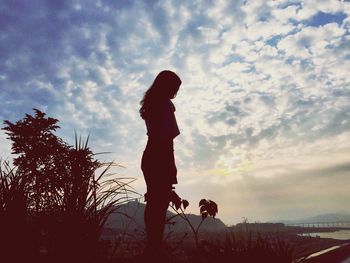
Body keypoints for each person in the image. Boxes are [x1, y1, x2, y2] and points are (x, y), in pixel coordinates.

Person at [140, 70, 181, 258]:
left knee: (155, 203)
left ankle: (153, 245)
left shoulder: (152, 104)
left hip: (152, 155)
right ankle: (155, 247)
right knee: (159, 203)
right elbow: (167, 137)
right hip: (160, 156)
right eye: (175, 88)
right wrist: (170, 166)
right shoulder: (164, 105)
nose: (176, 93)